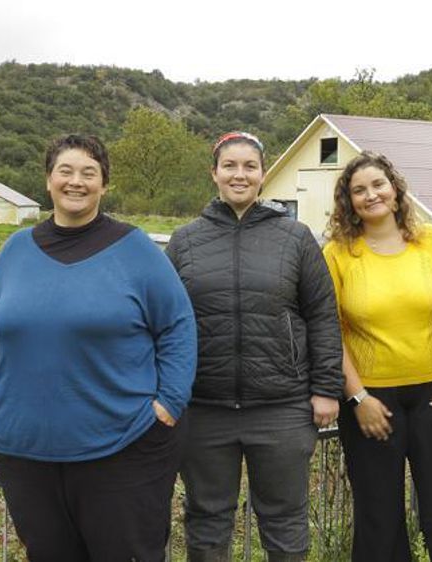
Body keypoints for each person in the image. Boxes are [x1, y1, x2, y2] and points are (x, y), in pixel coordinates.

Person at [0, 134, 197, 561]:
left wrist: (169, 404)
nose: (76, 182)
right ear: (48, 180)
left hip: (121, 446)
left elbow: (178, 326)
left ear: (104, 185)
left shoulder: (136, 249)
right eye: (65, 171)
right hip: (24, 450)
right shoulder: (16, 249)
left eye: (89, 173)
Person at [165, 131, 343, 562]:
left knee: (284, 522)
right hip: (205, 409)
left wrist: (326, 389)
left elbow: (321, 315)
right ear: (215, 174)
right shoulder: (185, 241)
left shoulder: (295, 238)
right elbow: (166, 324)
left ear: (263, 175)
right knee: (207, 521)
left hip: (281, 408)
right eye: (230, 166)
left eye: (249, 166)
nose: (239, 175)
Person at [322, 151, 432, 562]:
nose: (371, 195)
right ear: (348, 202)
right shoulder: (338, 255)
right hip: (372, 402)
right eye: (359, 190)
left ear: (395, 189)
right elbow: (329, 331)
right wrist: (357, 398)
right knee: (379, 517)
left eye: (378, 184)